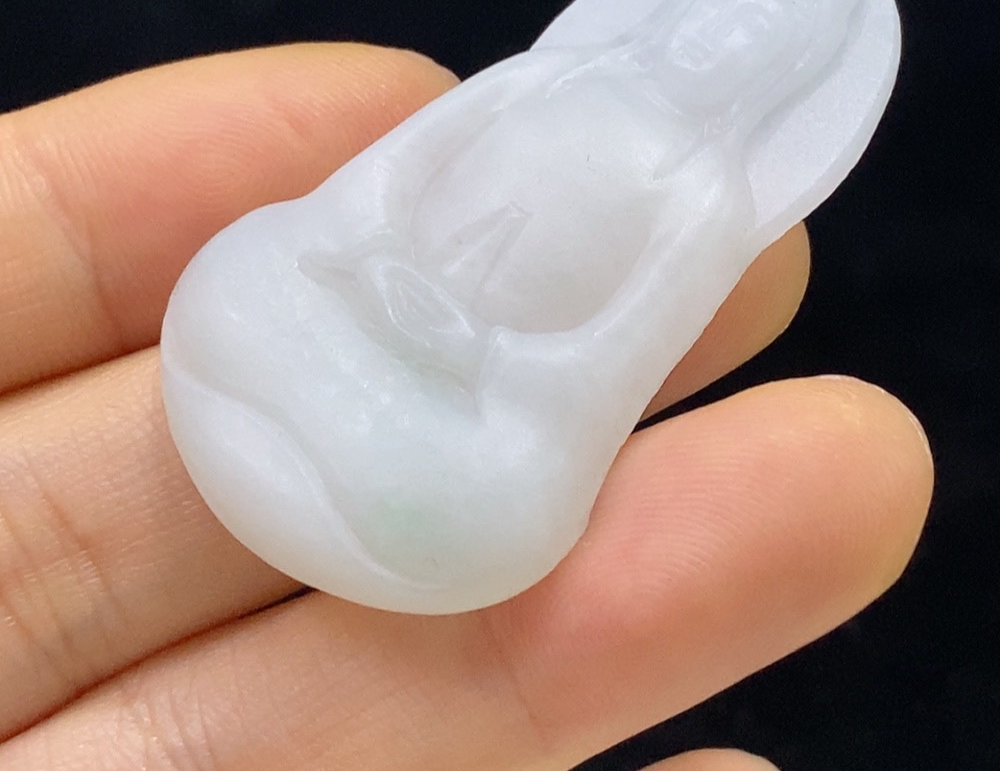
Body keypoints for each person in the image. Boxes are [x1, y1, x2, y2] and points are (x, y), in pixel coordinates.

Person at [0, 43, 932, 771]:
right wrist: (373, 256)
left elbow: (610, 351)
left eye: (754, 43)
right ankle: (333, 449)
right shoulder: (545, 78)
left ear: (771, 81)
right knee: (238, 285)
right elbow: (383, 180)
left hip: (481, 380)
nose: (719, 41)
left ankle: (368, 480)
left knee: (504, 508)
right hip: (360, 293)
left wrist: (483, 350)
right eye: (717, 14)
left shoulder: (707, 198)